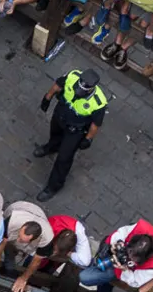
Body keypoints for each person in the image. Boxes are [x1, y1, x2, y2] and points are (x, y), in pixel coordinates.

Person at [34, 68, 108, 202]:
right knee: (54, 135)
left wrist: (88, 139)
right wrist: (47, 98)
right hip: (60, 115)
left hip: (75, 130)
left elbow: (95, 124)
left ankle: (53, 186)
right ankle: (50, 148)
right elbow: (57, 85)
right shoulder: (72, 76)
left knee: (64, 158)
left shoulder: (98, 102)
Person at [79, 219, 153, 292]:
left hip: (122, 271)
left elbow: (135, 282)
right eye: (128, 252)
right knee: (99, 259)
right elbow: (121, 233)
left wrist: (125, 270)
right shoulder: (138, 227)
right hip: (112, 253)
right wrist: (116, 243)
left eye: (132, 259)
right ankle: (103, 291)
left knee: (85, 278)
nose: (128, 257)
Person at [0, 201, 54, 287]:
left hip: (38, 217)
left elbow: (36, 261)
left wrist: (23, 279)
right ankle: (9, 266)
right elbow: (1, 242)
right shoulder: (11, 221)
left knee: (24, 254)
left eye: (22, 239)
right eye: (19, 236)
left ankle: (10, 267)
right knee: (9, 247)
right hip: (18, 208)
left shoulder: (47, 239)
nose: (18, 239)